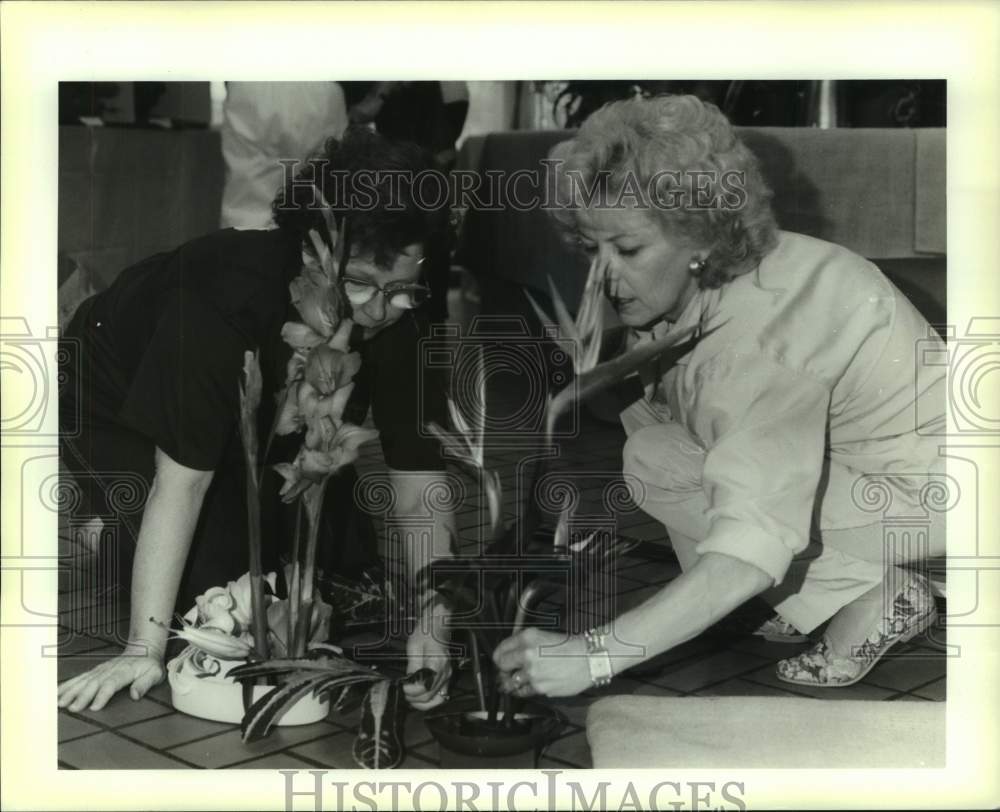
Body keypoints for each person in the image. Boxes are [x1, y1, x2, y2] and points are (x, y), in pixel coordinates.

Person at [493, 94, 946, 697]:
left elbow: (749, 537)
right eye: (589, 249)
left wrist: (596, 656)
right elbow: (667, 422)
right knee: (654, 456)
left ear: (699, 234)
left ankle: (875, 596)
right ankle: (829, 588)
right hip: (874, 481)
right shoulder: (704, 282)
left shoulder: (765, 330)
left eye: (626, 251)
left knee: (729, 514)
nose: (600, 276)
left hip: (942, 499)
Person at [57, 127, 454, 713]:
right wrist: (142, 648)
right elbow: (184, 480)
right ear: (310, 252)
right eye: (361, 283)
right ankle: (107, 521)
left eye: (400, 289)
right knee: (216, 607)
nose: (377, 309)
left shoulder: (400, 309)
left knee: (327, 590)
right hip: (111, 402)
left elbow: (419, 479)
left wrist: (434, 625)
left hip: (256, 417)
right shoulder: (221, 300)